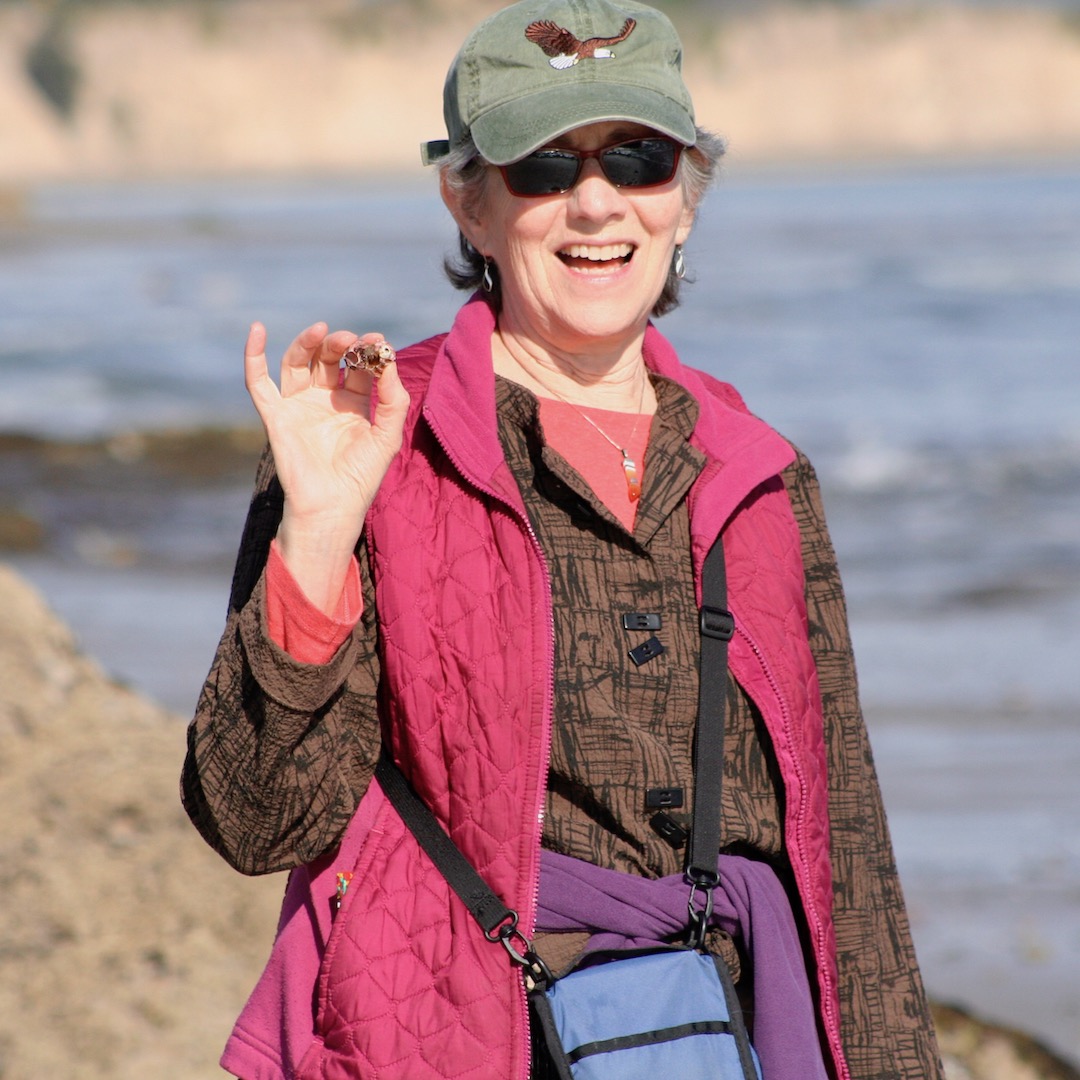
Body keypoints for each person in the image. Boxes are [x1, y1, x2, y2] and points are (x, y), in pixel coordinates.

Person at [182, 1, 944, 1077]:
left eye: (637, 158)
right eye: (544, 166)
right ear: (469, 203)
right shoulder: (374, 442)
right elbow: (258, 821)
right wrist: (316, 531)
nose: (595, 201)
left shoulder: (762, 472)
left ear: (686, 197)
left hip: (729, 1035)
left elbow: (846, 851)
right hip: (455, 1034)